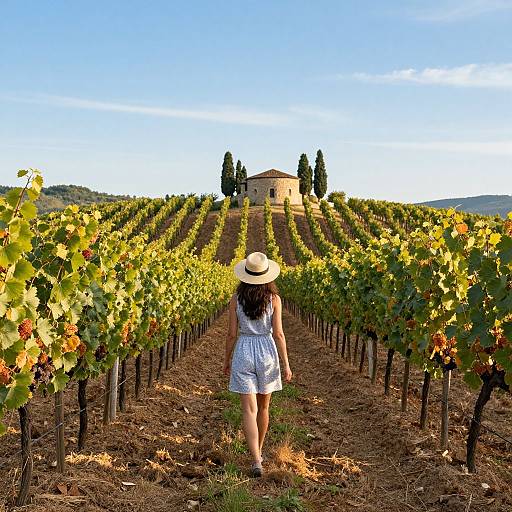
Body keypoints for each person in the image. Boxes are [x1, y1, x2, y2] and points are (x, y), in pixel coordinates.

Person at [223, 252, 292, 477]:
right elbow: (279, 334)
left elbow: (231, 334)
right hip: (267, 352)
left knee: (248, 410)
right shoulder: (274, 299)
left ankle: (255, 458)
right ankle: (258, 455)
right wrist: (286, 364)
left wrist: (227, 360)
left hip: (243, 350)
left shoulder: (236, 299)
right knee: (263, 408)